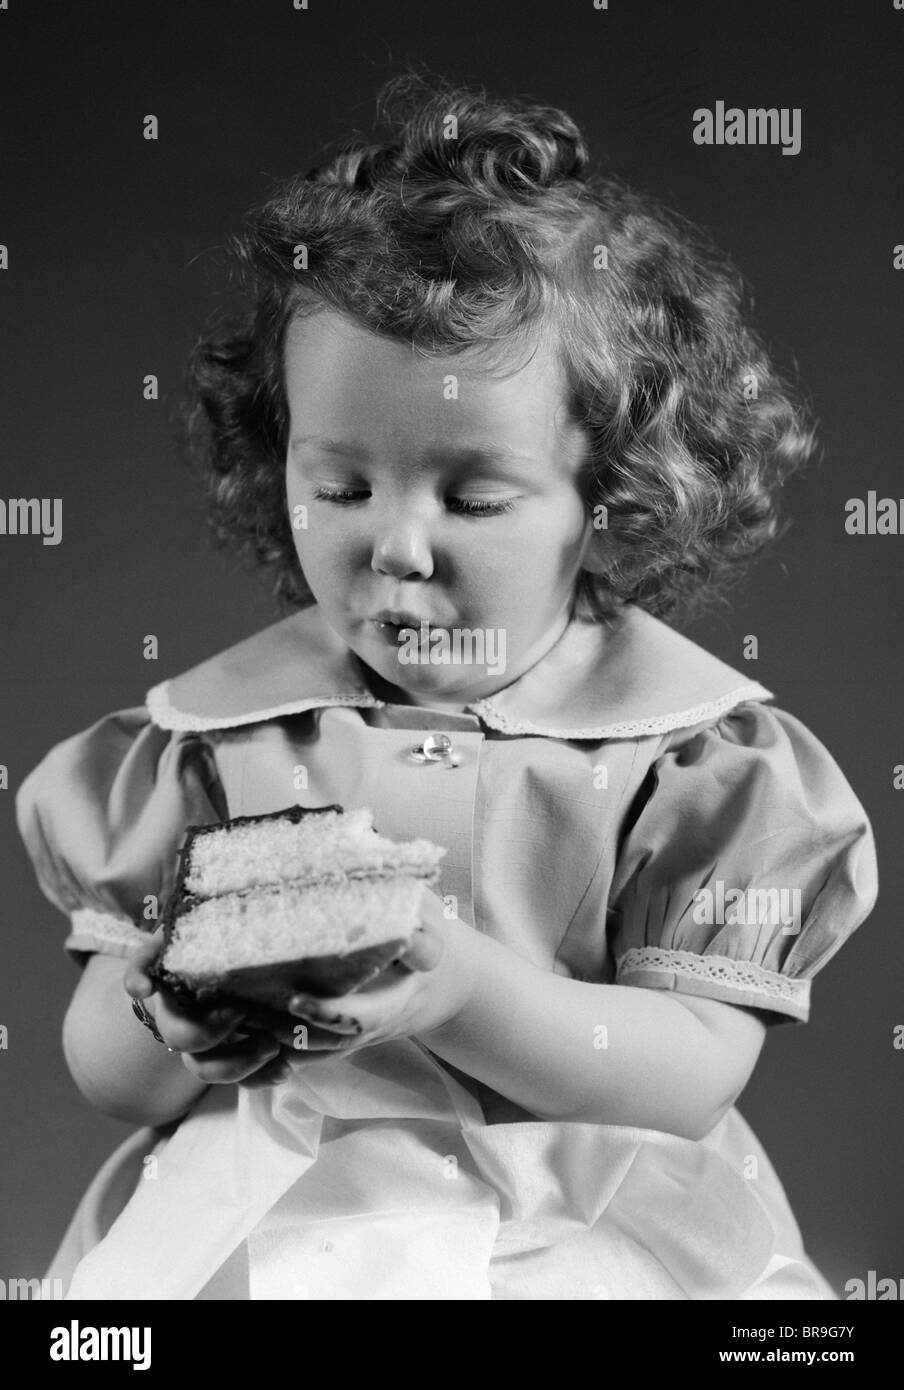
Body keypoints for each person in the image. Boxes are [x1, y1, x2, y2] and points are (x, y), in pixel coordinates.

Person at [15, 75, 878, 1300]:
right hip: (271, 1212)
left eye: (471, 497)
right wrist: (172, 1006)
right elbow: (110, 1074)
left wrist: (461, 987)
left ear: (616, 497)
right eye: (341, 486)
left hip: (572, 1217)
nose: (396, 544)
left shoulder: (690, 758)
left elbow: (691, 1070)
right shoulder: (209, 744)